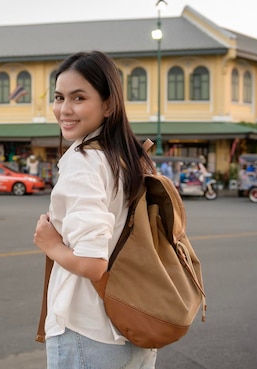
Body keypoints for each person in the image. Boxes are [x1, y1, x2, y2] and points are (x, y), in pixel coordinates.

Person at [33, 51, 157, 369]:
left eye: (78, 97)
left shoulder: (84, 161)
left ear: (108, 104)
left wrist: (52, 245)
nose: (64, 109)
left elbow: (92, 264)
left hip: (86, 330)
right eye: (59, 97)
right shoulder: (129, 158)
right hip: (133, 324)